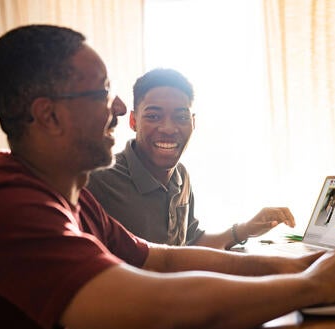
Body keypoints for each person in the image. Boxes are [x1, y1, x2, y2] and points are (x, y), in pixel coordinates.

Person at [0, 24, 335, 329]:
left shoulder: (69, 198)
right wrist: (312, 287)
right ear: (47, 115)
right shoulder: (4, 206)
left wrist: (298, 267)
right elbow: (161, 307)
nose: (115, 110)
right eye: (102, 94)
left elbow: (166, 260)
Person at [86, 68, 294, 249]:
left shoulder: (180, 176)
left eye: (181, 117)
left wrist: (246, 230)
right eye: (153, 116)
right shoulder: (99, 179)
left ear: (193, 123)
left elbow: (192, 243)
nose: (168, 128)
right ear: (133, 121)